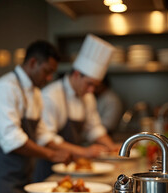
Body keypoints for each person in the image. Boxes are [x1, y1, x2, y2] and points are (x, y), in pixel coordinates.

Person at [0, 40, 71, 193]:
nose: (49, 78)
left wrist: (66, 151)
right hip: (0, 169)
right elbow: (13, 140)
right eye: (47, 71)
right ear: (33, 63)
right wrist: (51, 155)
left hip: (23, 170)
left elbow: (42, 133)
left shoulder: (35, 93)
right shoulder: (6, 87)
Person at [34, 34, 118, 182]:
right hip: (50, 168)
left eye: (95, 86)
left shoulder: (87, 96)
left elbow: (94, 128)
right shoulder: (51, 95)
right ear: (77, 74)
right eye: (89, 84)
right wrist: (85, 152)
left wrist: (112, 148)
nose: (92, 90)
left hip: (74, 168)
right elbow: (47, 139)